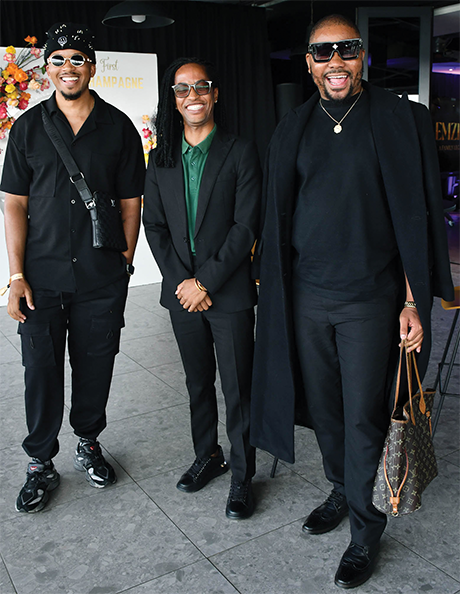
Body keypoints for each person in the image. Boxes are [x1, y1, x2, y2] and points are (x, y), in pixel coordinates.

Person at [250, 14, 454, 589]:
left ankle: (365, 530)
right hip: (307, 298)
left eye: (347, 49)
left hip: (371, 299)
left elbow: (418, 218)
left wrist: (412, 300)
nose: (335, 61)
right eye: (323, 52)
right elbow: (277, 217)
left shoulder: (399, 119)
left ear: (361, 55)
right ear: (308, 62)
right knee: (326, 411)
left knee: (364, 415)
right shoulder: (292, 128)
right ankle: (343, 488)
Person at [0, 23, 145, 513]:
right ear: (47, 69)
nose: (68, 67)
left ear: (92, 66)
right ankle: (40, 461)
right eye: (58, 59)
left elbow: (131, 203)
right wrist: (16, 276)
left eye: (77, 58)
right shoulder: (27, 128)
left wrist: (124, 263)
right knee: (40, 371)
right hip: (40, 279)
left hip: (101, 278)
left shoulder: (118, 127)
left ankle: (88, 441)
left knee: (95, 365)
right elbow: (14, 203)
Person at [143, 57, 261, 519]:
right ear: (172, 100)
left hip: (227, 293)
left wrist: (205, 282)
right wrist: (183, 284)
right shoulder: (161, 158)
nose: (192, 96)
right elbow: (155, 227)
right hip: (182, 295)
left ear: (214, 94)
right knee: (197, 383)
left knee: (238, 387)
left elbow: (245, 227)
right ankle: (208, 455)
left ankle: (242, 475)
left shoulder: (240, 151)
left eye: (201, 87)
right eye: (182, 89)